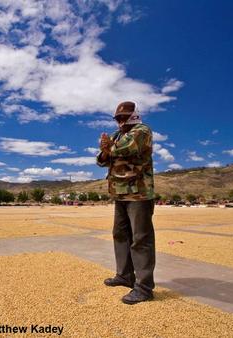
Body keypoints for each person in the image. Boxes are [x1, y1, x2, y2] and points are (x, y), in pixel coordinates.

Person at [96, 101, 156, 305]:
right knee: (120, 235)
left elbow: (128, 147)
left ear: (134, 115)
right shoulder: (116, 136)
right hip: (119, 194)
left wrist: (109, 148)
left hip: (139, 193)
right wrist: (105, 150)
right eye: (118, 118)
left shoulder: (142, 131)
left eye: (124, 117)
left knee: (141, 239)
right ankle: (124, 275)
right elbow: (102, 160)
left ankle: (144, 287)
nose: (120, 121)